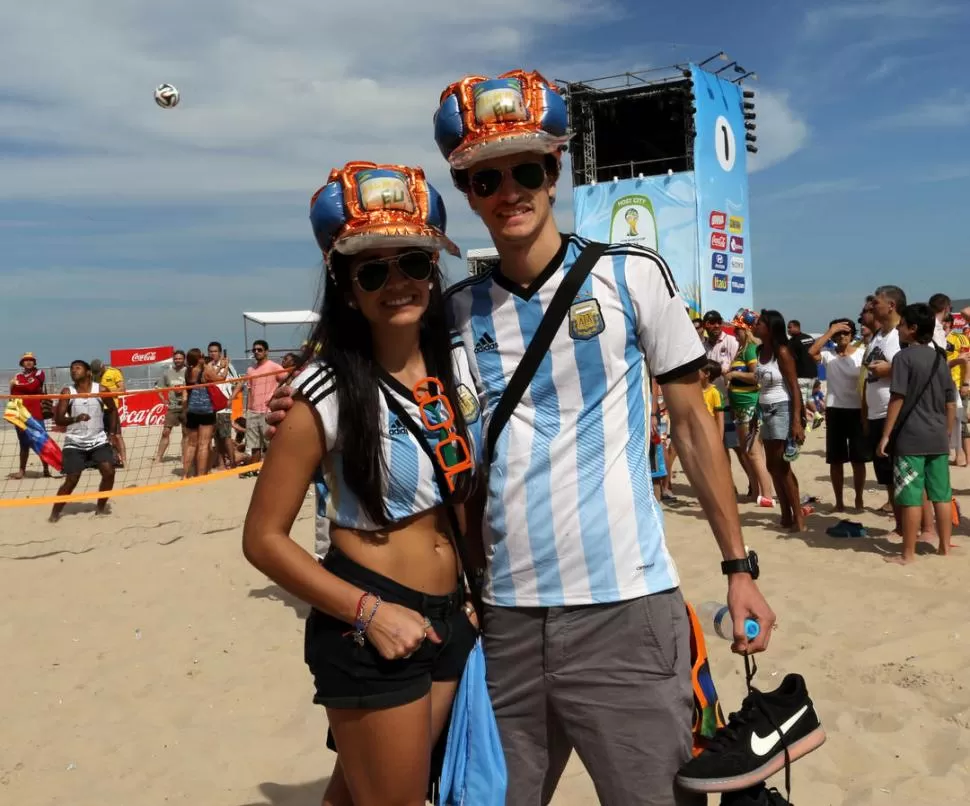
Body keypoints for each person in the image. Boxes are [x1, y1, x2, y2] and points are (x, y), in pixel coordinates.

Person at [268, 71, 775, 806]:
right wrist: (303, 399)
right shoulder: (452, 312)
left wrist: (738, 564)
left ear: (556, 170)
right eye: (484, 177)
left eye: (526, 169)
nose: (509, 189)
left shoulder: (631, 277)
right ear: (466, 189)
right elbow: (379, 365)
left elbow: (695, 426)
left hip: (624, 611)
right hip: (499, 623)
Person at [242, 161, 481, 806]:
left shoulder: (460, 365)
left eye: (413, 263)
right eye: (372, 271)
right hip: (370, 620)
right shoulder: (319, 395)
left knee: (359, 793)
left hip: (448, 613)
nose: (396, 282)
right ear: (347, 289)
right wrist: (369, 613)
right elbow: (263, 539)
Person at [877, 303, 955, 563]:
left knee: (910, 496)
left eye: (901, 325)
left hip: (910, 438)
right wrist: (946, 430)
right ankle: (944, 546)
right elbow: (950, 401)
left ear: (912, 329)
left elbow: (897, 398)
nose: (898, 329)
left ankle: (908, 554)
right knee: (941, 495)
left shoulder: (903, 358)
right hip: (937, 436)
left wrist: (886, 435)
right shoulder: (939, 358)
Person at [754, 310, 806, 532]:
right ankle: (786, 515)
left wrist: (797, 421)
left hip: (782, 408)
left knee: (782, 466)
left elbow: (794, 387)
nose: (755, 325)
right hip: (765, 409)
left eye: (759, 323)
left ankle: (799, 519)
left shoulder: (781, 352)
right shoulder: (759, 351)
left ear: (770, 327)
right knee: (771, 465)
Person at [809, 319, 867, 511]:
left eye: (846, 333)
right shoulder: (828, 355)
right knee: (836, 460)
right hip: (835, 410)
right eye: (838, 334)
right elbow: (811, 352)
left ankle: (859, 498)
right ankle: (839, 501)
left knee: (858, 460)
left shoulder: (861, 353)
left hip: (857, 410)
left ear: (852, 335)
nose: (842, 337)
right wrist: (830, 330)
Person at [49, 360, 116, 522]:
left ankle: (100, 509)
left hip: (98, 440)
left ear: (88, 372)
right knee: (72, 479)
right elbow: (58, 419)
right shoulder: (68, 391)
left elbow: (113, 410)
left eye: (78, 368)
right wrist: (75, 418)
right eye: (72, 369)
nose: (73, 371)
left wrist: (112, 433)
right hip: (74, 442)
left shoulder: (101, 390)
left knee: (109, 472)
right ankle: (54, 514)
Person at [864, 286, 906, 532]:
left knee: (900, 471)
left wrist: (888, 369)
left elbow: (913, 365)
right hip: (874, 411)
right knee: (886, 473)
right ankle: (900, 522)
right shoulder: (878, 335)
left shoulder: (902, 334)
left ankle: (911, 523)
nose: (872, 306)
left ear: (891, 305)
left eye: (876, 302)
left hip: (894, 411)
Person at [723, 310, 774, 505]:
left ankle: (767, 494)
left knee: (753, 452)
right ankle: (755, 492)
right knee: (747, 451)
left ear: (746, 330)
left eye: (738, 329)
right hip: (739, 406)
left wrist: (734, 375)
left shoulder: (751, 349)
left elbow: (756, 377)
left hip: (749, 406)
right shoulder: (742, 349)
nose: (735, 333)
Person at [8, 351, 51, 479]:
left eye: (31, 360)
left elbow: (32, 387)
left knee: (41, 442)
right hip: (21, 414)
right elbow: (13, 394)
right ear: (22, 363)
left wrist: (17, 385)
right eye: (26, 360)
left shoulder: (39, 373)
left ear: (34, 362)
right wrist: (17, 386)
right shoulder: (18, 375)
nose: (28, 362)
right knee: (23, 444)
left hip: (36, 413)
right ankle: (22, 470)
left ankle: (46, 469)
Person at [181, 348, 221, 477]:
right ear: (199, 358)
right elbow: (220, 379)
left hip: (192, 410)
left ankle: (185, 475)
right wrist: (224, 367)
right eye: (203, 355)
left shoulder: (188, 371)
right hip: (206, 409)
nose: (205, 357)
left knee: (191, 444)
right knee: (204, 444)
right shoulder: (205, 370)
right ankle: (200, 474)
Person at [244, 339, 283, 466]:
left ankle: (274, 470)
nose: (256, 352)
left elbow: (289, 380)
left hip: (268, 412)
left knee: (271, 445)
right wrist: (248, 410)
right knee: (254, 446)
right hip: (253, 412)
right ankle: (253, 470)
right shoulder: (250, 369)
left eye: (259, 350)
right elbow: (249, 390)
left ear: (266, 351)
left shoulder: (274, 366)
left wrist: (275, 397)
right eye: (254, 350)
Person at [90, 359, 127, 468]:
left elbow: (122, 389)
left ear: (102, 367)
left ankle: (124, 461)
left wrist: (107, 391)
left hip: (111, 409)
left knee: (117, 436)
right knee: (102, 437)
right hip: (98, 410)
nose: (98, 375)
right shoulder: (94, 376)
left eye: (98, 372)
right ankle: (111, 459)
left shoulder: (114, 372)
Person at [153, 350, 187, 464]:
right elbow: (158, 388)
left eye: (180, 358)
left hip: (186, 406)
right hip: (172, 406)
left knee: (185, 433)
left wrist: (183, 390)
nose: (178, 360)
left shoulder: (188, 371)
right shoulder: (167, 372)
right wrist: (164, 399)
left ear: (184, 359)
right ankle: (158, 457)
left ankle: (184, 457)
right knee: (166, 432)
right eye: (176, 358)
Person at [788, 319, 820, 428]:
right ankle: (816, 414)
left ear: (797, 327)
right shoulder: (809, 338)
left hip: (801, 375)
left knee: (800, 401)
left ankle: (803, 424)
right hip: (813, 374)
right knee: (807, 398)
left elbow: (790, 358)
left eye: (790, 327)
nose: (788, 330)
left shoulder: (793, 341)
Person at [701, 359, 725, 438]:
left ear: (707, 374)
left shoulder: (715, 393)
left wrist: (719, 440)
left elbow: (719, 419)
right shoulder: (694, 391)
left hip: (709, 433)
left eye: (698, 370)